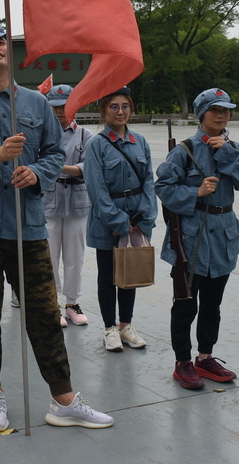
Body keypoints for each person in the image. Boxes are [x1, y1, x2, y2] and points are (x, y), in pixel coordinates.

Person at [0, 23, 114, 432]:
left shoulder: (35, 104)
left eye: (1, 43)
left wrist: (36, 173)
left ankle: (64, 399)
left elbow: (55, 153)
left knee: (44, 313)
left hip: (29, 227)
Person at [155, 87, 239, 390]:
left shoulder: (234, 147)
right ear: (202, 115)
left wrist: (227, 152)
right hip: (192, 237)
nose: (221, 115)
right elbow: (163, 187)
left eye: (225, 110)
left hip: (224, 235)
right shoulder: (185, 150)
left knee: (213, 304)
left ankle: (205, 357)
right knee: (186, 303)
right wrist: (195, 192)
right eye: (214, 110)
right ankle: (182, 362)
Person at [84, 87, 156, 351]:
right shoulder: (97, 145)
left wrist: (145, 217)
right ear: (104, 110)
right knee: (107, 276)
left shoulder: (141, 142)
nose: (120, 111)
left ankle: (126, 326)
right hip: (107, 223)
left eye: (125, 106)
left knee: (130, 272)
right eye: (114, 106)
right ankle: (109, 328)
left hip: (137, 217)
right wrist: (118, 221)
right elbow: (96, 188)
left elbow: (149, 181)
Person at [42, 85, 93, 329]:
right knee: (49, 256)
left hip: (76, 201)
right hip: (49, 201)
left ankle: (72, 303)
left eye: (66, 106)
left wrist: (61, 168)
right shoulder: (41, 134)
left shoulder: (85, 135)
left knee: (75, 256)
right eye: (56, 107)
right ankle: (51, 303)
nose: (61, 111)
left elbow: (89, 167)